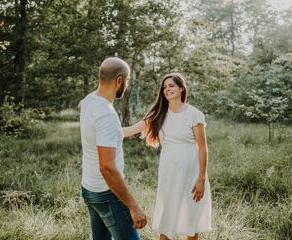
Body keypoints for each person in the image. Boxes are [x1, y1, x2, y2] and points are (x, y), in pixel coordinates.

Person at [123, 73, 212, 240]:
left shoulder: (194, 114)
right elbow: (129, 130)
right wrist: (103, 126)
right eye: (164, 87)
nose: (167, 89)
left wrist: (201, 179)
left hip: (192, 172)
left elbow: (203, 149)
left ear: (181, 88)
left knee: (192, 217)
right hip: (169, 171)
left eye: (171, 85)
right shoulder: (158, 114)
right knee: (169, 215)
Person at [79, 57, 147, 240]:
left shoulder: (88, 102)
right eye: (127, 81)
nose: (127, 85)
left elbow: (110, 135)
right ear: (119, 81)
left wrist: (142, 125)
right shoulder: (106, 115)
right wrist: (134, 206)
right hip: (108, 194)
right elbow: (107, 168)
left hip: (89, 189)